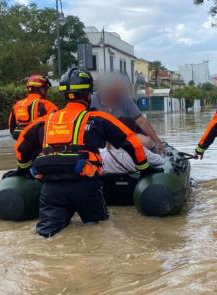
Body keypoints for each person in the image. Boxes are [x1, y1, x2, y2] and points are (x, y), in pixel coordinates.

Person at [14, 68, 153, 238]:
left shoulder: (45, 121)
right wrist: (144, 168)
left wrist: (23, 169)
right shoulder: (98, 119)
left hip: (51, 189)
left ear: (64, 94)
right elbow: (132, 143)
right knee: (98, 230)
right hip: (85, 187)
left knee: (47, 234)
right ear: (88, 94)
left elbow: (20, 146)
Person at [91, 73, 164, 153]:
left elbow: (141, 121)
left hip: (123, 139)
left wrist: (157, 141)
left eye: (120, 92)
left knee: (146, 141)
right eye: (115, 92)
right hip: (99, 141)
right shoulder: (91, 101)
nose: (118, 95)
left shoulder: (124, 99)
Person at [100, 117, 165, 174]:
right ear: (133, 133)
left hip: (108, 186)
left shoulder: (101, 151)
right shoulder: (140, 151)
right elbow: (160, 161)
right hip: (134, 185)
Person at [8, 74, 58, 140]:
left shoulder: (18, 104)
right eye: (45, 88)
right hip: (39, 142)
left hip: (21, 141)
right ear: (40, 89)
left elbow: (11, 125)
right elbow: (55, 125)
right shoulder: (47, 105)